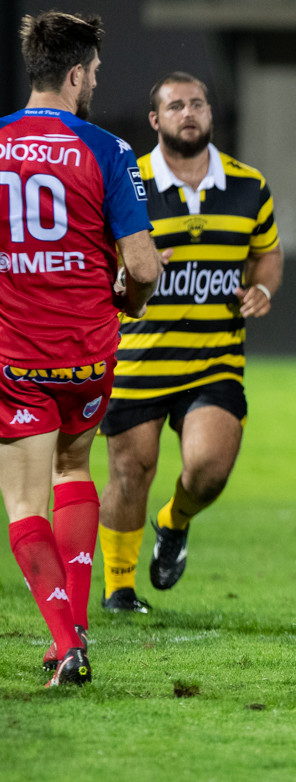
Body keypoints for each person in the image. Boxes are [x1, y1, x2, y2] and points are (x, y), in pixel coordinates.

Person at [0, 11, 161, 686]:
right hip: (89, 355)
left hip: (17, 358)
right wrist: (128, 304)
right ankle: (75, 628)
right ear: (73, 74)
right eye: (92, 71)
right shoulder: (108, 150)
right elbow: (145, 267)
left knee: (24, 505)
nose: (94, 80)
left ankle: (66, 642)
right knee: (74, 470)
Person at [96, 72, 283, 610]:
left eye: (197, 103)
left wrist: (264, 286)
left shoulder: (249, 185)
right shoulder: (128, 183)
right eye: (175, 105)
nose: (189, 112)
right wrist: (131, 273)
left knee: (209, 469)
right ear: (155, 120)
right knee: (131, 470)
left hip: (214, 359)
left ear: (209, 114)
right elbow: (103, 262)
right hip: (137, 358)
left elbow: (267, 251)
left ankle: (173, 521)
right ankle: (119, 587)